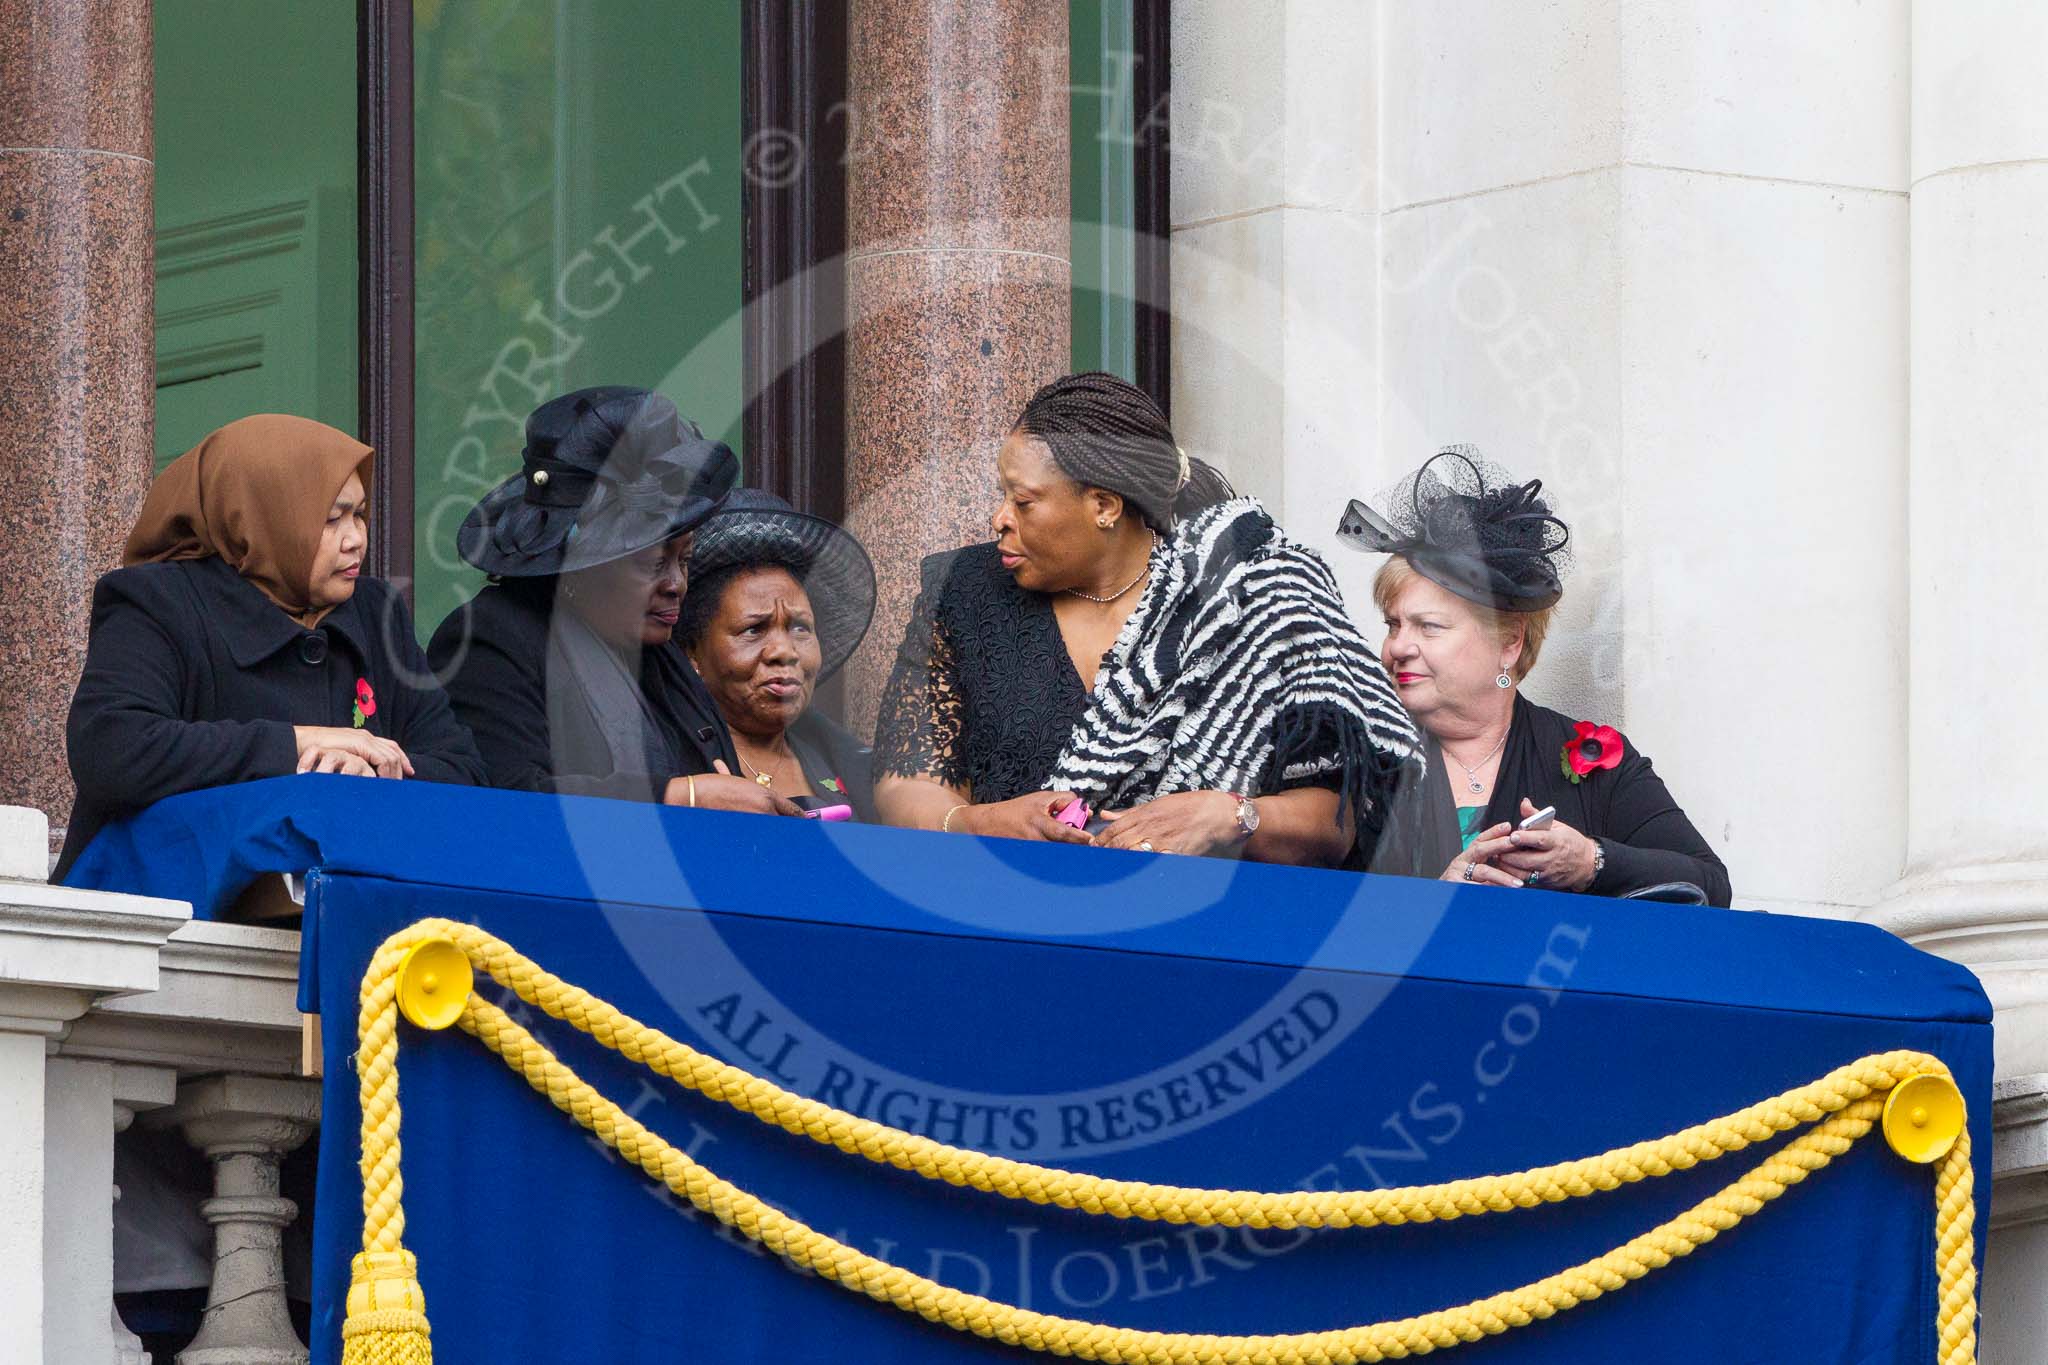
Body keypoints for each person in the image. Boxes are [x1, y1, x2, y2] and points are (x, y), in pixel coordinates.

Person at [873, 371, 1424, 865]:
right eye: (1003, 497)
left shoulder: (1249, 596)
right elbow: (903, 783)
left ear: (1104, 506)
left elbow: (1338, 818)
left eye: (1024, 501)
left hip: (1207, 940)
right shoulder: (966, 592)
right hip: (1010, 920)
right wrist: (980, 822)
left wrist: (1233, 818)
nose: (1000, 520)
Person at [58, 414, 484, 879]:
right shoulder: (161, 601)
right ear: (261, 517)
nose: (355, 539)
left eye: (359, 514)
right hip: (172, 923)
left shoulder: (375, 611)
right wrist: (301, 744)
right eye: (331, 518)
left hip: (349, 915)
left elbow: (464, 772)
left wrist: (366, 772)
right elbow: (112, 749)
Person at [1338, 447, 1732, 904]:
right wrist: (1431, 902)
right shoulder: (1359, 762)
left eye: (1429, 626)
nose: (1398, 647)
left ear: (1510, 642)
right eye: (1393, 624)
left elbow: (1711, 885)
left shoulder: (1592, 759)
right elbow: (1305, 915)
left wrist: (1591, 862)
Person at [429, 387, 802, 815]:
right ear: (578, 561)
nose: (676, 584)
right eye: (652, 564)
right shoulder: (490, 637)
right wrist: (680, 797)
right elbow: (504, 798)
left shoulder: (658, 651)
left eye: (685, 558)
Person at [679, 490, 879, 821]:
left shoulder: (855, 768)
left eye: (800, 628)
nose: (784, 652)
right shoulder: (668, 765)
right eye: (754, 630)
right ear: (692, 654)